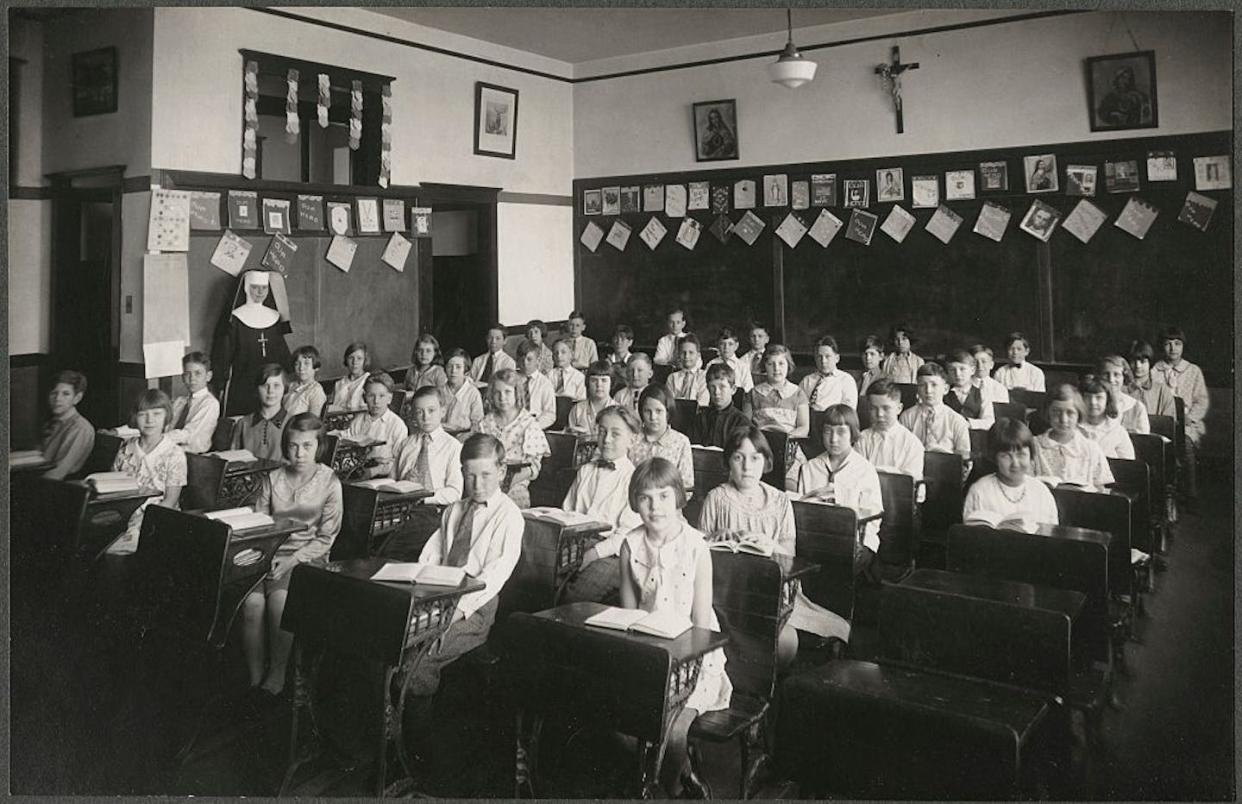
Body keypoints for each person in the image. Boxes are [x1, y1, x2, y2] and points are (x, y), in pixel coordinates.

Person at [618, 458, 731, 797]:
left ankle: (667, 791)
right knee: (619, 724)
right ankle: (681, 773)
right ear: (635, 502)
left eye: (664, 497)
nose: (655, 507)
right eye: (646, 498)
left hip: (696, 658)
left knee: (675, 730)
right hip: (650, 654)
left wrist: (683, 668)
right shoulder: (630, 544)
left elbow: (700, 623)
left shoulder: (696, 546)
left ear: (680, 498)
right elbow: (627, 615)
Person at [406, 433, 525, 698]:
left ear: (502, 471)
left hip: (475, 607)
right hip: (438, 595)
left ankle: (413, 731)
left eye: (485, 475)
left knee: (419, 657)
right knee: (398, 639)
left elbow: (494, 576)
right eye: (470, 475)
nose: (477, 484)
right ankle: (391, 715)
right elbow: (432, 556)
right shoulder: (454, 510)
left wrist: (453, 613)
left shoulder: (509, 516)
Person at [242, 413, 342, 697]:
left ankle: (277, 672)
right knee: (251, 604)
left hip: (307, 558)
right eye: (294, 446)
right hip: (269, 553)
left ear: (318, 446)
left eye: (307, 446)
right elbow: (259, 525)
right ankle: (254, 675)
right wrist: (261, 556)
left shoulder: (329, 482)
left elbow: (327, 537)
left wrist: (290, 560)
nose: (300, 453)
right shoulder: (272, 478)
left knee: (278, 603)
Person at [697, 425, 799, 664]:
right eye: (738, 457)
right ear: (728, 463)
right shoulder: (717, 498)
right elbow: (697, 554)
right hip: (723, 592)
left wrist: (768, 544)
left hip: (772, 591)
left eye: (755, 458)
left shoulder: (781, 501)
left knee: (785, 642)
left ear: (766, 462)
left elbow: (790, 557)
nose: (747, 466)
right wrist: (713, 539)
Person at [791, 405, 884, 641]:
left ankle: (840, 624)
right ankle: (814, 624)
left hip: (855, 540)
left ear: (853, 434)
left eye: (841, 432)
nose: (833, 439)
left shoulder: (864, 470)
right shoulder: (810, 467)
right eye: (827, 431)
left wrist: (841, 502)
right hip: (814, 539)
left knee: (840, 562)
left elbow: (873, 516)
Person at [559, 406, 647, 606]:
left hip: (612, 554)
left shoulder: (633, 479)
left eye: (615, 434)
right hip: (575, 544)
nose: (606, 439)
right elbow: (567, 512)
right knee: (542, 580)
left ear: (632, 440)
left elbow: (627, 534)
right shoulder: (585, 471)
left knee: (575, 597)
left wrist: (593, 554)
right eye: (602, 432)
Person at [104, 389, 187, 555]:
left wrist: (139, 524)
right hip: (123, 512)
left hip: (156, 517)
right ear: (135, 417)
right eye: (143, 414)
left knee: (115, 550)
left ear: (166, 417)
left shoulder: (174, 453)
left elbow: (170, 502)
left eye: (157, 414)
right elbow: (113, 487)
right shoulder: (126, 448)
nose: (150, 420)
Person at [212, 269, 294, 416]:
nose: (260, 292)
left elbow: (282, 353)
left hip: (271, 386)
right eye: (255, 287)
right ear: (246, 287)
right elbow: (224, 355)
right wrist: (219, 382)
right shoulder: (236, 318)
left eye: (264, 288)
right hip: (243, 384)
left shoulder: (274, 317)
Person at [474, 369, 550, 508]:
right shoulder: (485, 423)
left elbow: (533, 468)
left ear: (517, 393)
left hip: (516, 485)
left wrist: (505, 483)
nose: (502, 397)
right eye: (497, 392)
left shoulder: (528, 424)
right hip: (484, 481)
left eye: (507, 392)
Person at [962, 418, 1059, 526]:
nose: (1015, 463)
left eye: (1021, 454)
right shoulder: (979, 491)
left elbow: (1051, 533)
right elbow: (969, 535)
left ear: (1031, 456)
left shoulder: (1041, 492)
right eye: (1006, 456)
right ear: (994, 458)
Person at [1151, 326, 1208, 506]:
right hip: (1162, 422)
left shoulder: (1193, 371)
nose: (1172, 348)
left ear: (1183, 346)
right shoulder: (1154, 371)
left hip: (1187, 423)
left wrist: (1190, 418)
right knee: (1158, 446)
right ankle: (1161, 494)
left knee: (1185, 444)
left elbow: (1201, 400)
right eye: (1168, 344)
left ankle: (1191, 493)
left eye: (1177, 344)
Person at [1032, 384, 1114, 491]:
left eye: (1070, 413)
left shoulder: (1091, 448)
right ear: (1048, 413)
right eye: (1056, 412)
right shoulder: (1034, 445)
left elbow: (1101, 488)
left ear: (1079, 414)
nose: (1063, 419)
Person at [393, 386, 464, 504]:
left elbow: (455, 492)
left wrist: (423, 497)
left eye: (431, 410)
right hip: (401, 507)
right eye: (419, 412)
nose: (426, 417)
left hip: (434, 508)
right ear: (413, 415)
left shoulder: (453, 447)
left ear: (442, 411)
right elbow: (393, 479)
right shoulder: (406, 444)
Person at [338, 372, 408, 479]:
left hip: (383, 476)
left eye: (381, 396)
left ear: (389, 398)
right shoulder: (358, 420)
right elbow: (347, 440)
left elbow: (400, 462)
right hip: (357, 470)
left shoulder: (397, 425)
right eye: (371, 396)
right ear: (364, 398)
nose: (376, 401)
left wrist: (375, 470)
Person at [900, 363, 971, 463]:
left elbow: (964, 459)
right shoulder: (907, 417)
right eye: (922, 385)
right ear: (917, 389)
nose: (928, 391)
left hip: (946, 471)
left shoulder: (957, 420)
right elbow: (901, 451)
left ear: (945, 389)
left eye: (934, 385)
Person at [630, 384, 694, 492]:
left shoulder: (681, 442)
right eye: (647, 411)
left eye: (658, 411)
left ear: (668, 412)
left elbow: (686, 487)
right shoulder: (632, 439)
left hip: (669, 504)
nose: (653, 417)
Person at [857, 379, 924, 479]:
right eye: (873, 408)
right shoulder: (862, 438)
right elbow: (855, 472)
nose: (879, 414)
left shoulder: (912, 443)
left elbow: (910, 482)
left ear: (899, 409)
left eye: (886, 408)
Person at [39, 370, 95, 480]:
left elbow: (58, 472)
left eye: (66, 394)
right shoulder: (52, 422)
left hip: (59, 486)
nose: (57, 399)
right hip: (39, 478)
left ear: (77, 398)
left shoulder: (80, 428)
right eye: (54, 393)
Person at [748, 344, 810, 438]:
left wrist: (786, 439)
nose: (776, 368)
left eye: (781, 363)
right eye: (770, 364)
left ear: (788, 365)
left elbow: (804, 427)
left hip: (788, 443)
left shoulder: (798, 393)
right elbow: (746, 426)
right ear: (764, 366)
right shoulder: (753, 393)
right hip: (761, 443)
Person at [233, 363, 290, 462]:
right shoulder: (243, 423)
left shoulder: (292, 423)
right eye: (265, 386)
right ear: (257, 389)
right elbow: (233, 460)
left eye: (276, 385)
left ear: (284, 388)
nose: (270, 391)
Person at [166, 352, 220, 454]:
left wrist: (157, 440)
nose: (192, 379)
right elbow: (166, 426)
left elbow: (188, 434)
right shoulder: (180, 402)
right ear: (182, 377)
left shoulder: (209, 403)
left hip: (193, 457)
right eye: (187, 374)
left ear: (208, 376)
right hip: (170, 451)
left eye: (198, 373)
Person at [691, 363, 750, 448]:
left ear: (733, 390)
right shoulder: (700, 418)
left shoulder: (741, 422)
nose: (716, 392)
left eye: (722, 387)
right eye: (712, 387)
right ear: (707, 388)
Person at [1079, 377, 1136, 460]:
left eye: (1099, 397)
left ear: (1108, 401)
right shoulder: (1074, 428)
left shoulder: (1117, 431)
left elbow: (1128, 466)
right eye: (1087, 397)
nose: (1093, 402)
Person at [799, 335, 857, 412]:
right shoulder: (807, 380)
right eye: (819, 357)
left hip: (833, 421)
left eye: (827, 356)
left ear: (837, 358)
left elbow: (848, 412)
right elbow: (797, 405)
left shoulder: (846, 380)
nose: (823, 361)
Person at [1097, 355, 1150, 434]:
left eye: (1116, 375)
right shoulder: (1093, 403)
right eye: (1106, 374)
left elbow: (1143, 440)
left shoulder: (1137, 407)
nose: (1111, 380)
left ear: (1124, 377)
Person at [943, 349, 994, 430]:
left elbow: (989, 421)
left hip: (974, 437)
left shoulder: (982, 393)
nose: (958, 374)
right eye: (952, 370)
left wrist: (969, 423)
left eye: (962, 369)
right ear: (948, 372)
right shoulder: (943, 394)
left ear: (972, 370)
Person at [1125, 340, 1176, 419]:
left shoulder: (1163, 391)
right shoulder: (1122, 390)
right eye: (1133, 361)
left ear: (1150, 362)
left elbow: (1168, 424)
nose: (1138, 366)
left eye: (1143, 361)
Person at [441, 348, 485, 437]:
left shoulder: (473, 393)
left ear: (465, 370)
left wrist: (467, 435)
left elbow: (477, 423)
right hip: (442, 433)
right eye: (450, 366)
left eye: (458, 367)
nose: (453, 371)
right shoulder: (439, 391)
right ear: (445, 369)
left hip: (464, 434)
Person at [567, 361, 615, 436]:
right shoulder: (577, 410)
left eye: (604, 380)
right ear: (587, 383)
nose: (599, 384)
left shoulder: (618, 411)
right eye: (594, 380)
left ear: (611, 383)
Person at [517, 340, 556, 430]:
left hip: (536, 426)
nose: (525, 363)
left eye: (529, 359)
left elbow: (550, 414)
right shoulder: (512, 380)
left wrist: (533, 426)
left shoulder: (545, 383)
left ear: (538, 360)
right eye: (521, 360)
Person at [704, 327, 753, 393]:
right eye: (722, 344)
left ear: (736, 346)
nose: (726, 347)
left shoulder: (742, 366)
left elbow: (748, 389)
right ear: (718, 345)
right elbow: (705, 386)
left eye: (730, 344)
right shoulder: (711, 364)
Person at [283, 345, 327, 418]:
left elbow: (314, 422)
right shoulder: (291, 386)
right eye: (297, 364)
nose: (301, 368)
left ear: (315, 367)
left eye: (306, 363)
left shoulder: (315, 391)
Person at [667, 334, 709, 408]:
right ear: (679, 355)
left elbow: (703, 402)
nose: (686, 356)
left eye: (691, 352)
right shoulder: (672, 377)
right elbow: (669, 402)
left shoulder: (704, 376)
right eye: (683, 352)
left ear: (698, 355)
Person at [329, 342, 371, 412]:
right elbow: (329, 407)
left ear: (365, 361)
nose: (355, 362)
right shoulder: (339, 384)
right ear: (346, 360)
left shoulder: (369, 380)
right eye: (351, 358)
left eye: (359, 358)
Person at [607, 324, 636, 390]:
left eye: (623, 339)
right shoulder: (606, 362)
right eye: (616, 338)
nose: (619, 342)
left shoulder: (635, 361)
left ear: (630, 342)